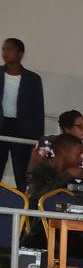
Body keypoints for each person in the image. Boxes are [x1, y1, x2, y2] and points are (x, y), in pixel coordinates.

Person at [0, 37, 43, 187]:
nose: (5, 52)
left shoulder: (33, 79)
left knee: (22, 171)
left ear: (20, 54)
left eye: (9, 49)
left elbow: (38, 110)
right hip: (1, 125)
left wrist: (37, 139)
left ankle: (23, 205)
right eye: (3, 49)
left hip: (22, 129)